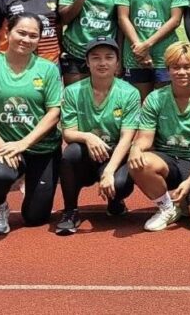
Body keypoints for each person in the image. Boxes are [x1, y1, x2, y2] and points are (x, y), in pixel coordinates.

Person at [0, 12, 63, 235]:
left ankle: (29, 179)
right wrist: (0, 145)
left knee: (35, 218)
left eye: (33, 35)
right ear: (7, 32)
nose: (26, 39)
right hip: (7, 146)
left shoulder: (48, 69)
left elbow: (54, 112)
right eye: (21, 33)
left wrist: (24, 143)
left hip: (42, 148)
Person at [128, 42, 190, 232]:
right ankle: (167, 207)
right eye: (175, 67)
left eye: (187, 67)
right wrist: (136, 148)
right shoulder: (155, 98)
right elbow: (145, 138)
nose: (182, 72)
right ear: (168, 69)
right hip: (166, 160)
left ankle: (188, 198)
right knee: (140, 161)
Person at [55, 37, 140, 235]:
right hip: (87, 154)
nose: (102, 63)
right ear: (87, 62)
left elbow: (127, 138)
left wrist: (109, 172)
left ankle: (115, 200)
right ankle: (70, 211)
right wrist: (88, 137)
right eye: (96, 57)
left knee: (120, 184)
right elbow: (68, 133)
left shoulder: (130, 93)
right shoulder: (72, 92)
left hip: (114, 153)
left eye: (109, 57)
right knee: (70, 154)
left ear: (117, 63)